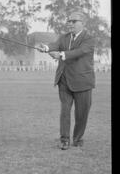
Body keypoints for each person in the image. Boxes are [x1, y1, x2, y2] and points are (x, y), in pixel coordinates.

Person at [36, 10, 95, 150]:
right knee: (65, 111)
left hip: (83, 82)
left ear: (83, 23)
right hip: (64, 81)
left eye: (74, 21)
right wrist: (45, 48)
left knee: (82, 114)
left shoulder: (89, 39)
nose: (70, 24)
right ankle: (64, 140)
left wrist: (61, 54)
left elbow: (80, 52)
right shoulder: (64, 37)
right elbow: (54, 46)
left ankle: (78, 138)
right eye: (69, 21)